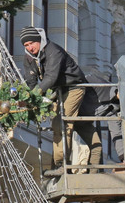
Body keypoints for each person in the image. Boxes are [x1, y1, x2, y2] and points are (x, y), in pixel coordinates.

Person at [21, 27, 101, 176]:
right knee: (77, 124)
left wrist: (36, 94)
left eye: (32, 43)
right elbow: (30, 80)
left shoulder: (53, 51)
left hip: (74, 87)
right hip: (57, 91)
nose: (30, 48)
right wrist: (33, 97)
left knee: (61, 123)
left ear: (39, 41)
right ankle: (63, 165)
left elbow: (51, 77)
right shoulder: (29, 58)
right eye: (26, 45)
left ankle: (61, 165)